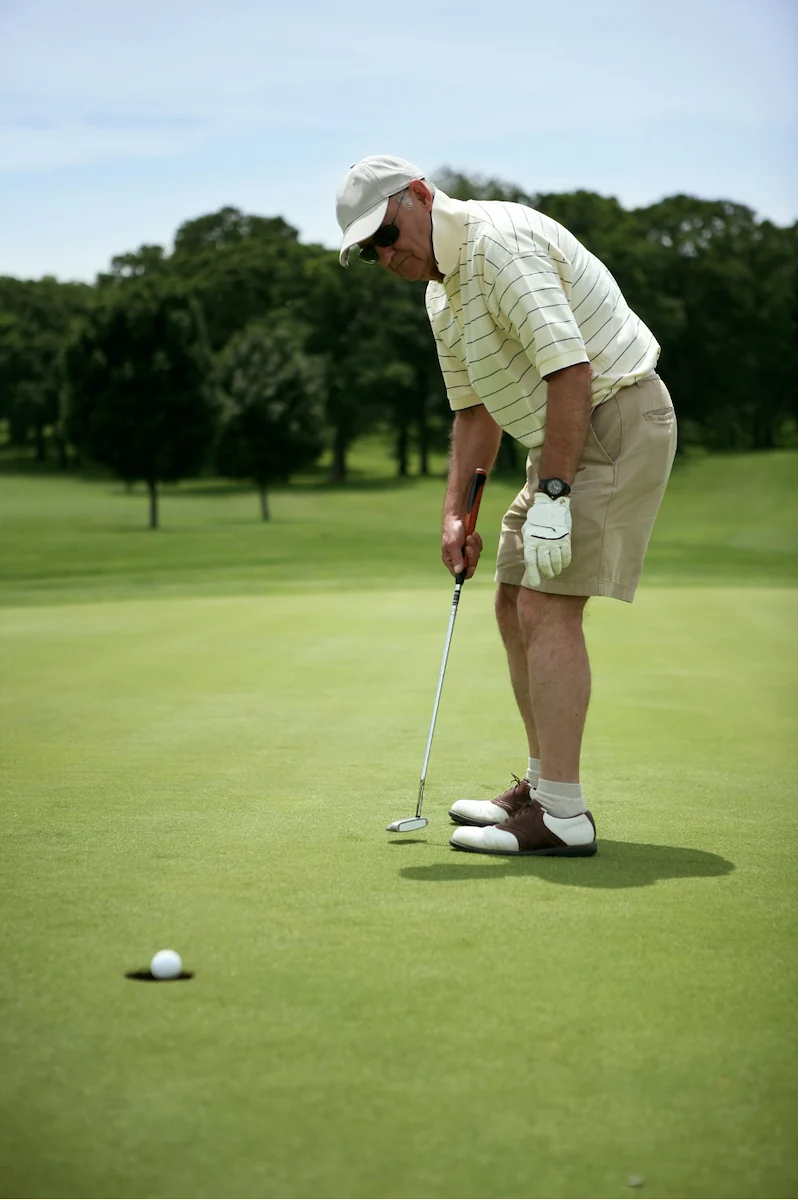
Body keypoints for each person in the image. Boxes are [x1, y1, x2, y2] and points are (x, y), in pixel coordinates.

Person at [335, 155, 677, 857]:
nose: (387, 254)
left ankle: (563, 815)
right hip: (560, 433)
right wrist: (457, 514)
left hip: (613, 418)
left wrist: (551, 493)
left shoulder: (495, 246)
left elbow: (571, 370)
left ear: (422, 195)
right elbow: (473, 414)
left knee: (547, 604)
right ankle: (545, 783)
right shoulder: (440, 294)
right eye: (372, 252)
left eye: (388, 232)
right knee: (511, 596)